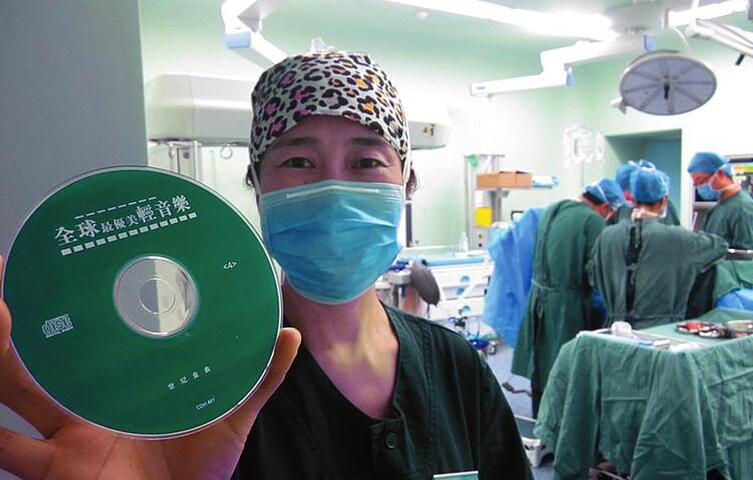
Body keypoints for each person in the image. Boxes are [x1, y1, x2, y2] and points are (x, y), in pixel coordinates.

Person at [0, 50, 532, 480]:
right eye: (298, 161)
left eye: (367, 160)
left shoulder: (456, 368)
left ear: (406, 183)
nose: (333, 188)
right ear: (257, 185)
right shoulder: (202, 390)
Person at [511, 178, 623, 417]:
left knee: (540, 367)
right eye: (611, 212)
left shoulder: (554, 208)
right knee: (565, 370)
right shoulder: (592, 220)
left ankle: (540, 422)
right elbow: (596, 273)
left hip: (538, 302)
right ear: (605, 206)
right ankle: (561, 429)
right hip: (566, 308)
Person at [592, 167, 728, 330]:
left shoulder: (606, 236)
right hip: (661, 330)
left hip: (616, 330)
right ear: (664, 200)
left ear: (632, 200)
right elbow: (720, 246)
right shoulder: (678, 238)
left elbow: (593, 274)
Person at [688, 151, 753, 249]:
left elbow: (747, 253)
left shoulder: (742, 208)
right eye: (696, 184)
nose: (700, 186)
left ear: (720, 174)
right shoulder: (718, 208)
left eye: (701, 180)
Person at [609, 159, 680, 226]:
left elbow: (673, 232)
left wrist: (651, 220)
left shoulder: (662, 205)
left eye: (629, 193)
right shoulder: (621, 208)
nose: (628, 198)